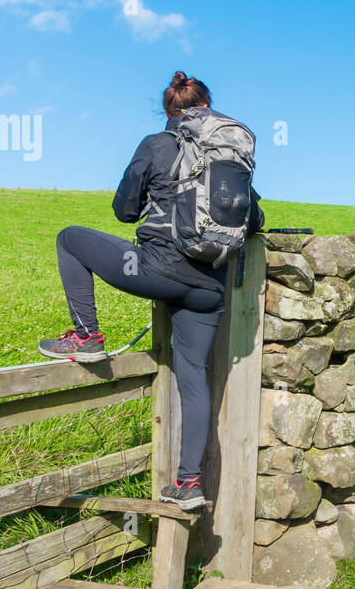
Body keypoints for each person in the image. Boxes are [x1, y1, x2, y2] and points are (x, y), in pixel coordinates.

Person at [39, 71, 263, 509]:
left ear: (169, 110)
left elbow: (124, 211)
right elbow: (252, 220)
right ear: (208, 106)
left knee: (70, 238)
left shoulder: (157, 143)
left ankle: (86, 336)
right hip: (208, 291)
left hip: (158, 271)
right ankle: (188, 483)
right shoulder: (229, 159)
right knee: (193, 379)